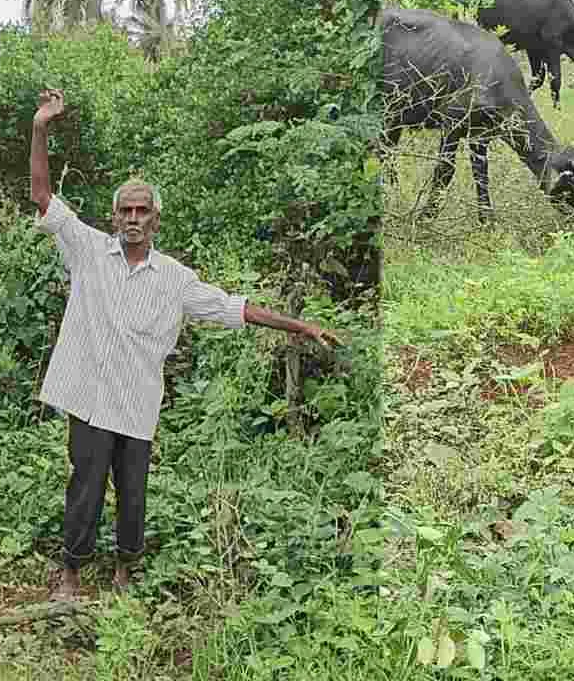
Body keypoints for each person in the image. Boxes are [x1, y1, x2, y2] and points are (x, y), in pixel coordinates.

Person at [30, 89, 343, 600]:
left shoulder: (175, 278)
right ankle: (71, 572)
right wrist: (42, 127)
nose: (133, 218)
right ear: (114, 218)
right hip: (88, 398)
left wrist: (299, 326)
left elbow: (231, 307)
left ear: (156, 219)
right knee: (85, 486)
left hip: (135, 406)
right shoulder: (87, 251)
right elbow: (44, 197)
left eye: (142, 211)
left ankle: (125, 568)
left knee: (133, 493)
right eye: (125, 210)